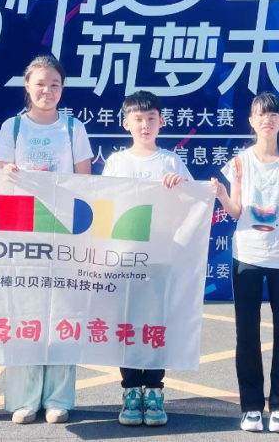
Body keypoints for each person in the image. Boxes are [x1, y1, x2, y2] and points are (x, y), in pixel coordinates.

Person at [0, 54, 92, 424]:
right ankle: (25, 398)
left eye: (55, 84)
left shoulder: (73, 128)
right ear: (27, 86)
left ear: (62, 88)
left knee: (64, 312)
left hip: (63, 232)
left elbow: (85, 182)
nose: (47, 91)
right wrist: (7, 172)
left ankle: (59, 398)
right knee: (25, 313)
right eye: (40, 84)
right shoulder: (13, 127)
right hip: (22, 232)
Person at [213, 92, 279, 434]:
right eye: (260, 114)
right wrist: (223, 195)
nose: (266, 120)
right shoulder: (240, 162)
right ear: (251, 121)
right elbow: (236, 211)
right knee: (247, 334)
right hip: (247, 257)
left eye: (273, 115)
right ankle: (252, 407)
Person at [101, 90, 193, 427]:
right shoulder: (116, 163)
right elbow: (103, 207)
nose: (144, 125)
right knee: (127, 325)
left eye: (151, 118)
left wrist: (181, 188)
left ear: (161, 122)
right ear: (126, 123)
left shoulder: (170, 162)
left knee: (155, 323)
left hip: (159, 258)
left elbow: (194, 205)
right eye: (138, 119)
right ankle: (130, 390)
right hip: (124, 258)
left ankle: (154, 390)